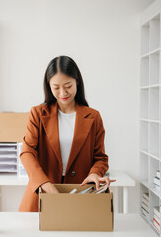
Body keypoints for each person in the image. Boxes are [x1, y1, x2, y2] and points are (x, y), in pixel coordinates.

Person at [19, 55, 115, 212]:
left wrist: (94, 174)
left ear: (77, 81)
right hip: (43, 194)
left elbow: (100, 158)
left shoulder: (93, 116)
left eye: (68, 86)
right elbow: (27, 152)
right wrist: (44, 184)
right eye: (56, 87)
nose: (63, 92)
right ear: (49, 86)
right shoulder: (37, 113)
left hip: (79, 194)